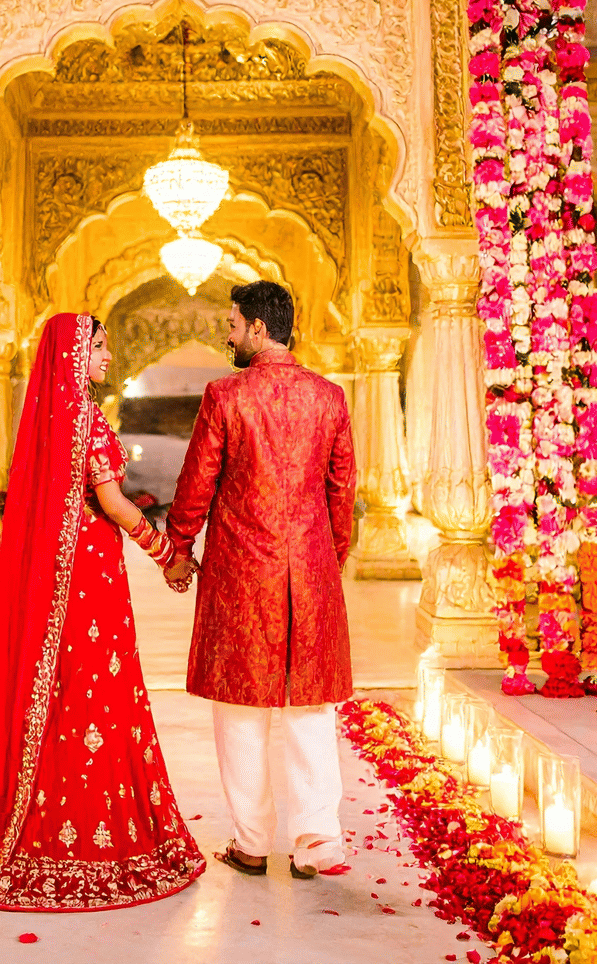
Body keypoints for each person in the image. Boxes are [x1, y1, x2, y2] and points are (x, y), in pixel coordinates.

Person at [0, 312, 206, 910]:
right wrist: (166, 555)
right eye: (99, 348)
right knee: (91, 692)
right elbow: (113, 501)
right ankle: (84, 831)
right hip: (88, 581)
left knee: (56, 689)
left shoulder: (54, 418)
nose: (108, 357)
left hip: (60, 576)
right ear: (74, 356)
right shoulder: (87, 419)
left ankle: (44, 807)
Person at [164, 280, 357, 880]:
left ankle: (251, 843)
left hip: (241, 572)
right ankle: (317, 841)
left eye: (231, 324)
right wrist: (331, 556)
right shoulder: (328, 398)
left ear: (259, 328)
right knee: (310, 706)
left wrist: (178, 548)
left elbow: (197, 483)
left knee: (241, 710)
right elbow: (342, 491)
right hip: (309, 569)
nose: (227, 334)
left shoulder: (225, 396)